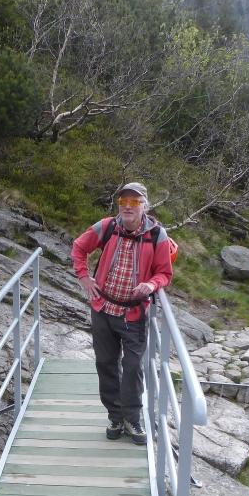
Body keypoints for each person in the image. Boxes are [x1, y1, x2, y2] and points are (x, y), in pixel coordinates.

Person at [71, 182, 174, 443]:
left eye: (134, 202)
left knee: (132, 368)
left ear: (144, 206)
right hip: (103, 308)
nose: (128, 207)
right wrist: (83, 276)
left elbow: (164, 272)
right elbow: (79, 247)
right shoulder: (107, 226)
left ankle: (132, 419)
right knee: (106, 364)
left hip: (133, 313)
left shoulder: (157, 235)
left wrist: (151, 284)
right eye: (123, 202)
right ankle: (115, 417)